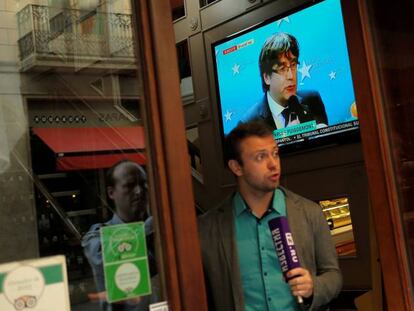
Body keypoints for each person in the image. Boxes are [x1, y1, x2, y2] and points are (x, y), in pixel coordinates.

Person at [198, 121, 341, 311]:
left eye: (275, 153)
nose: (273, 164)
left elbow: (333, 275)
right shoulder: (209, 227)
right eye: (260, 157)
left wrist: (313, 287)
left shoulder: (309, 213)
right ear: (236, 167)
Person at [82, 160, 157, 311]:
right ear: (111, 193)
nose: (139, 191)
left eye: (143, 184)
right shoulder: (97, 236)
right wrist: (150, 226)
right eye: (129, 186)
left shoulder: (159, 229)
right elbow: (109, 254)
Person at [240, 32, 328, 130]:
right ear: (267, 78)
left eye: (293, 65)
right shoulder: (249, 123)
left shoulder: (312, 100)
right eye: (282, 68)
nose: (291, 76)